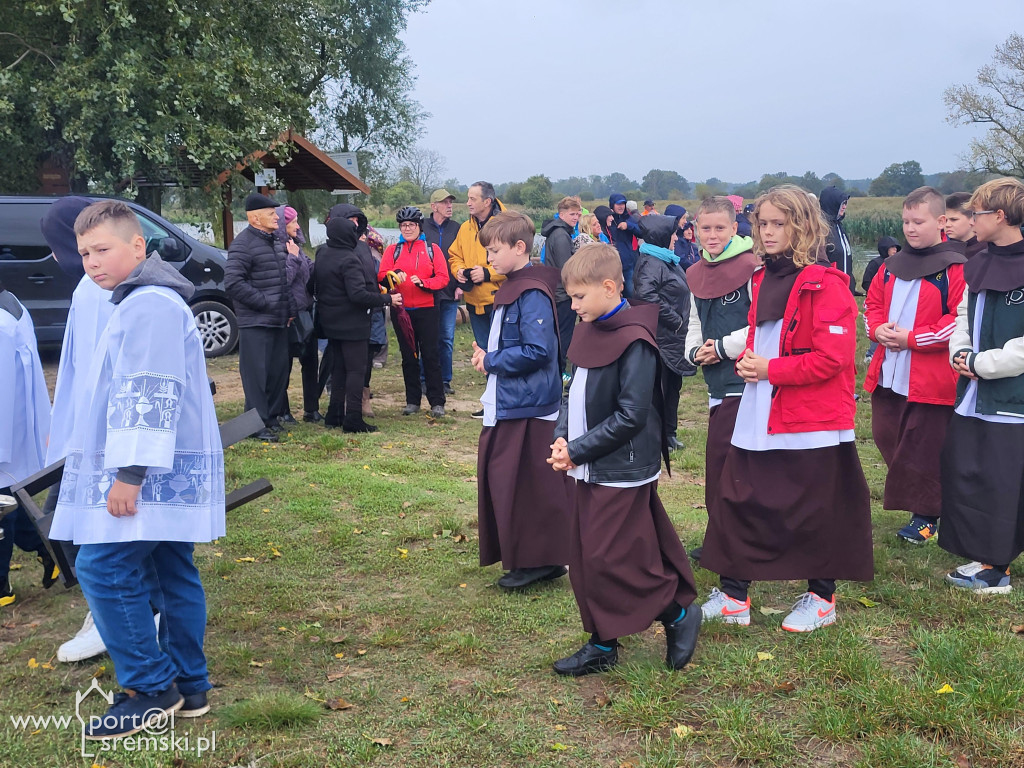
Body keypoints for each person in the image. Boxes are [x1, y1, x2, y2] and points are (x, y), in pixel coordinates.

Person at [49, 200, 225, 737]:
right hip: (162, 470)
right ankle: (190, 686)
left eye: (103, 249)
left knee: (102, 569)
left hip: (146, 473)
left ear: (138, 246)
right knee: (171, 572)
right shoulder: (143, 300)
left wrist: (129, 473)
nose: (92, 262)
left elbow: (149, 393)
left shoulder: (149, 304)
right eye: (83, 253)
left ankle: (151, 688)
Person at [699, 185, 873, 632]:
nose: (768, 232)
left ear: (804, 226)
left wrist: (770, 369)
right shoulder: (761, 276)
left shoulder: (828, 284)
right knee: (740, 498)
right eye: (762, 223)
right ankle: (735, 596)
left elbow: (832, 359)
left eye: (779, 223)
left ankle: (822, 598)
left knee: (813, 509)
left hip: (810, 419)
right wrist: (750, 362)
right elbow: (763, 337)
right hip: (760, 408)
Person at [548, 242, 700, 676]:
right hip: (586, 463)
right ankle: (602, 642)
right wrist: (562, 439)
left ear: (610, 287)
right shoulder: (588, 325)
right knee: (585, 555)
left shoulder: (635, 341)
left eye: (579, 297)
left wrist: (576, 449)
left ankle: (677, 614)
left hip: (620, 468)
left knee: (612, 558)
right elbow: (570, 393)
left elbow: (632, 416)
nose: (573, 306)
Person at [472, 211, 571, 589]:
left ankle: (539, 561)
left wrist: (491, 360)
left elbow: (538, 350)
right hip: (515, 400)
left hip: (527, 405)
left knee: (526, 486)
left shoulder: (531, 291)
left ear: (519, 247)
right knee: (514, 483)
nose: (488, 259)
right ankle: (533, 558)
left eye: (494, 250)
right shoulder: (516, 285)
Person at [864, 186, 967, 544]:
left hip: (931, 376)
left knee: (923, 446)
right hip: (888, 370)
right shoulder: (890, 267)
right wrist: (877, 329)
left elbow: (959, 320)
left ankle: (927, 515)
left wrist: (911, 338)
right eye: (905, 220)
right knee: (887, 435)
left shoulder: (955, 267)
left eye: (918, 221)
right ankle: (920, 500)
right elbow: (871, 305)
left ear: (940, 222)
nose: (909, 228)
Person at [39, 196, 116, 662]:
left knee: (80, 529)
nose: (53, 256)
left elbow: (99, 372)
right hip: (85, 431)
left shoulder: (96, 290)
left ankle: (109, 616)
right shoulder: (91, 287)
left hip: (99, 435)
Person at [940, 177, 1024, 593]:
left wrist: (981, 363)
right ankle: (987, 554)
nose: (971, 220)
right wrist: (961, 353)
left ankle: (998, 569)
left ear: (1001, 216)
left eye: (976, 213)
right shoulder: (978, 261)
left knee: (1003, 481)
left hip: (1012, 397)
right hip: (974, 390)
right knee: (974, 473)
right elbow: (962, 316)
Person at [684, 196, 760, 562]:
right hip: (715, 380)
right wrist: (695, 349)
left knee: (738, 463)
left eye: (719, 228)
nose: (711, 235)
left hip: (746, 379)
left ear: (734, 228)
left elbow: (762, 323)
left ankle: (741, 537)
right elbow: (695, 320)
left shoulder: (751, 267)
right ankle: (721, 534)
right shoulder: (696, 270)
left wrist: (724, 348)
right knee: (717, 462)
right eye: (705, 228)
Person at [314, 216, 398, 432]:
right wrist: (388, 299)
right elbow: (358, 295)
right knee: (356, 371)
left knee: (339, 368)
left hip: (330, 322)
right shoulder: (350, 259)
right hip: (352, 324)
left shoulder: (322, 253)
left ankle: (334, 414)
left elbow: (311, 285)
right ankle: (352, 418)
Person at [0, 281, 53, 608]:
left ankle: (1, 585)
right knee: (9, 500)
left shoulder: (2, 324)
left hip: (7, 433)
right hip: (13, 432)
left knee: (2, 503)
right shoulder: (10, 302)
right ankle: (51, 552)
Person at [225, 192, 292, 442]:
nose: (277, 217)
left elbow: (282, 281)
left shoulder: (274, 241)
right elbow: (233, 283)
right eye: (272, 213)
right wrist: (264, 303)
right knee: (257, 375)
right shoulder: (243, 244)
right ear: (255, 218)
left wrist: (288, 310)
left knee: (278, 372)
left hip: (277, 320)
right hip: (255, 320)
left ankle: (271, 417)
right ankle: (255, 425)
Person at [379, 207, 450, 417]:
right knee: (408, 357)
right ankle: (412, 401)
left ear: (419, 226)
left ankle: (437, 401)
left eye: (411, 225)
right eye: (403, 225)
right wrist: (393, 275)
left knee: (430, 355)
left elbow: (443, 278)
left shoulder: (432, 249)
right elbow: (381, 276)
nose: (407, 228)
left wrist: (425, 283)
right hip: (402, 310)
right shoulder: (393, 250)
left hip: (427, 309)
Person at [635, 214, 694, 451]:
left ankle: (669, 433)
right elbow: (646, 296)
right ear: (661, 236)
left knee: (673, 387)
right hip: (662, 336)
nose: (675, 238)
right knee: (659, 389)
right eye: (672, 234)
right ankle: (657, 436)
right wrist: (676, 320)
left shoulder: (667, 259)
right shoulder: (650, 263)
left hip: (674, 337)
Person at [273, 206, 319, 424]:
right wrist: (292, 258)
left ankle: (312, 409)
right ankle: (283, 411)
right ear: (283, 224)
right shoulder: (276, 250)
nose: (298, 226)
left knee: (310, 362)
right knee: (284, 366)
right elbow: (282, 281)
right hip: (288, 315)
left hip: (305, 312)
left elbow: (310, 271)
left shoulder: (296, 247)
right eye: (293, 222)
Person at [448, 182, 506, 350]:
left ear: (487, 201)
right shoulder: (465, 228)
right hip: (474, 302)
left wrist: (487, 274)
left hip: (500, 302)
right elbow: (455, 255)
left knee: (503, 351)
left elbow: (517, 263)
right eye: (468, 199)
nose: (468, 203)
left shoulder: (506, 226)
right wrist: (458, 270)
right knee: (483, 351)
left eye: (472, 199)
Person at [424, 189, 461, 395]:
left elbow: (463, 257)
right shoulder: (421, 227)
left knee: (446, 337)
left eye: (450, 202)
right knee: (427, 337)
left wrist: (460, 285)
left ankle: (445, 380)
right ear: (433, 206)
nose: (449, 206)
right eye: (444, 202)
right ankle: (424, 378)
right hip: (427, 292)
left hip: (449, 292)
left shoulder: (457, 228)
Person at [541, 196, 582, 374]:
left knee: (559, 334)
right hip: (562, 293)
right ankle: (561, 371)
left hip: (556, 290)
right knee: (564, 335)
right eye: (572, 214)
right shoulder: (560, 235)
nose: (576, 218)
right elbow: (567, 267)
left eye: (578, 214)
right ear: (561, 214)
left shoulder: (559, 232)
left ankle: (557, 368)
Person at [820, 186, 856, 294]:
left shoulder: (838, 226)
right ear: (832, 204)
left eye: (846, 203)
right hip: (830, 291)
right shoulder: (821, 229)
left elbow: (846, 258)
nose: (845, 206)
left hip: (845, 289)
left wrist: (851, 285)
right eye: (842, 203)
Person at [608, 194, 641, 297]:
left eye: (623, 204)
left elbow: (641, 232)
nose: (621, 206)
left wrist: (628, 226)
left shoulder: (629, 218)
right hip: (612, 264)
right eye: (618, 204)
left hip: (627, 263)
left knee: (631, 292)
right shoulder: (608, 219)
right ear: (612, 205)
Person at [945, 192, 986, 259]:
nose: (947, 225)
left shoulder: (987, 251)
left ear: (972, 219)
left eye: (954, 219)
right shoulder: (943, 250)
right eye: (945, 220)